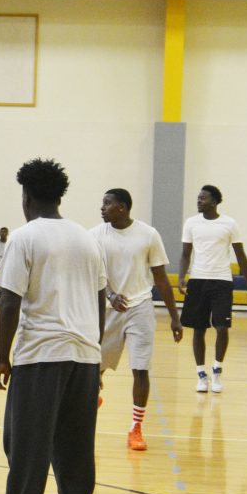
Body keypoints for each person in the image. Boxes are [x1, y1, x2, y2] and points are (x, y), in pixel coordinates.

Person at [0, 158, 106, 494]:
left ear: (26, 195)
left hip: (42, 357)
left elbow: (9, 300)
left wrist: (2, 357)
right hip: (84, 356)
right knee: (75, 447)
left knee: (24, 445)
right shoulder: (88, 238)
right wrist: (95, 352)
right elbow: (100, 299)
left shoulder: (24, 236)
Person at [92, 189, 183, 451]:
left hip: (140, 306)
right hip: (109, 309)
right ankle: (92, 398)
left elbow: (162, 279)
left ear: (122, 207)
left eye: (107, 203)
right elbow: (95, 272)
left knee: (140, 369)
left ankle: (136, 428)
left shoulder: (148, 235)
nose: (102, 208)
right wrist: (110, 294)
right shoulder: (95, 235)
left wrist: (175, 318)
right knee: (93, 368)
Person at [178, 185, 247, 394]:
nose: (198, 201)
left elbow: (241, 256)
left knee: (222, 327)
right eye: (198, 198)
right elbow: (186, 254)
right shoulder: (191, 223)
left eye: (202, 198)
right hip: (198, 281)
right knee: (198, 329)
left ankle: (217, 370)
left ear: (213, 201)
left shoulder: (229, 224)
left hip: (222, 281)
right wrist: (181, 278)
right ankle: (201, 374)